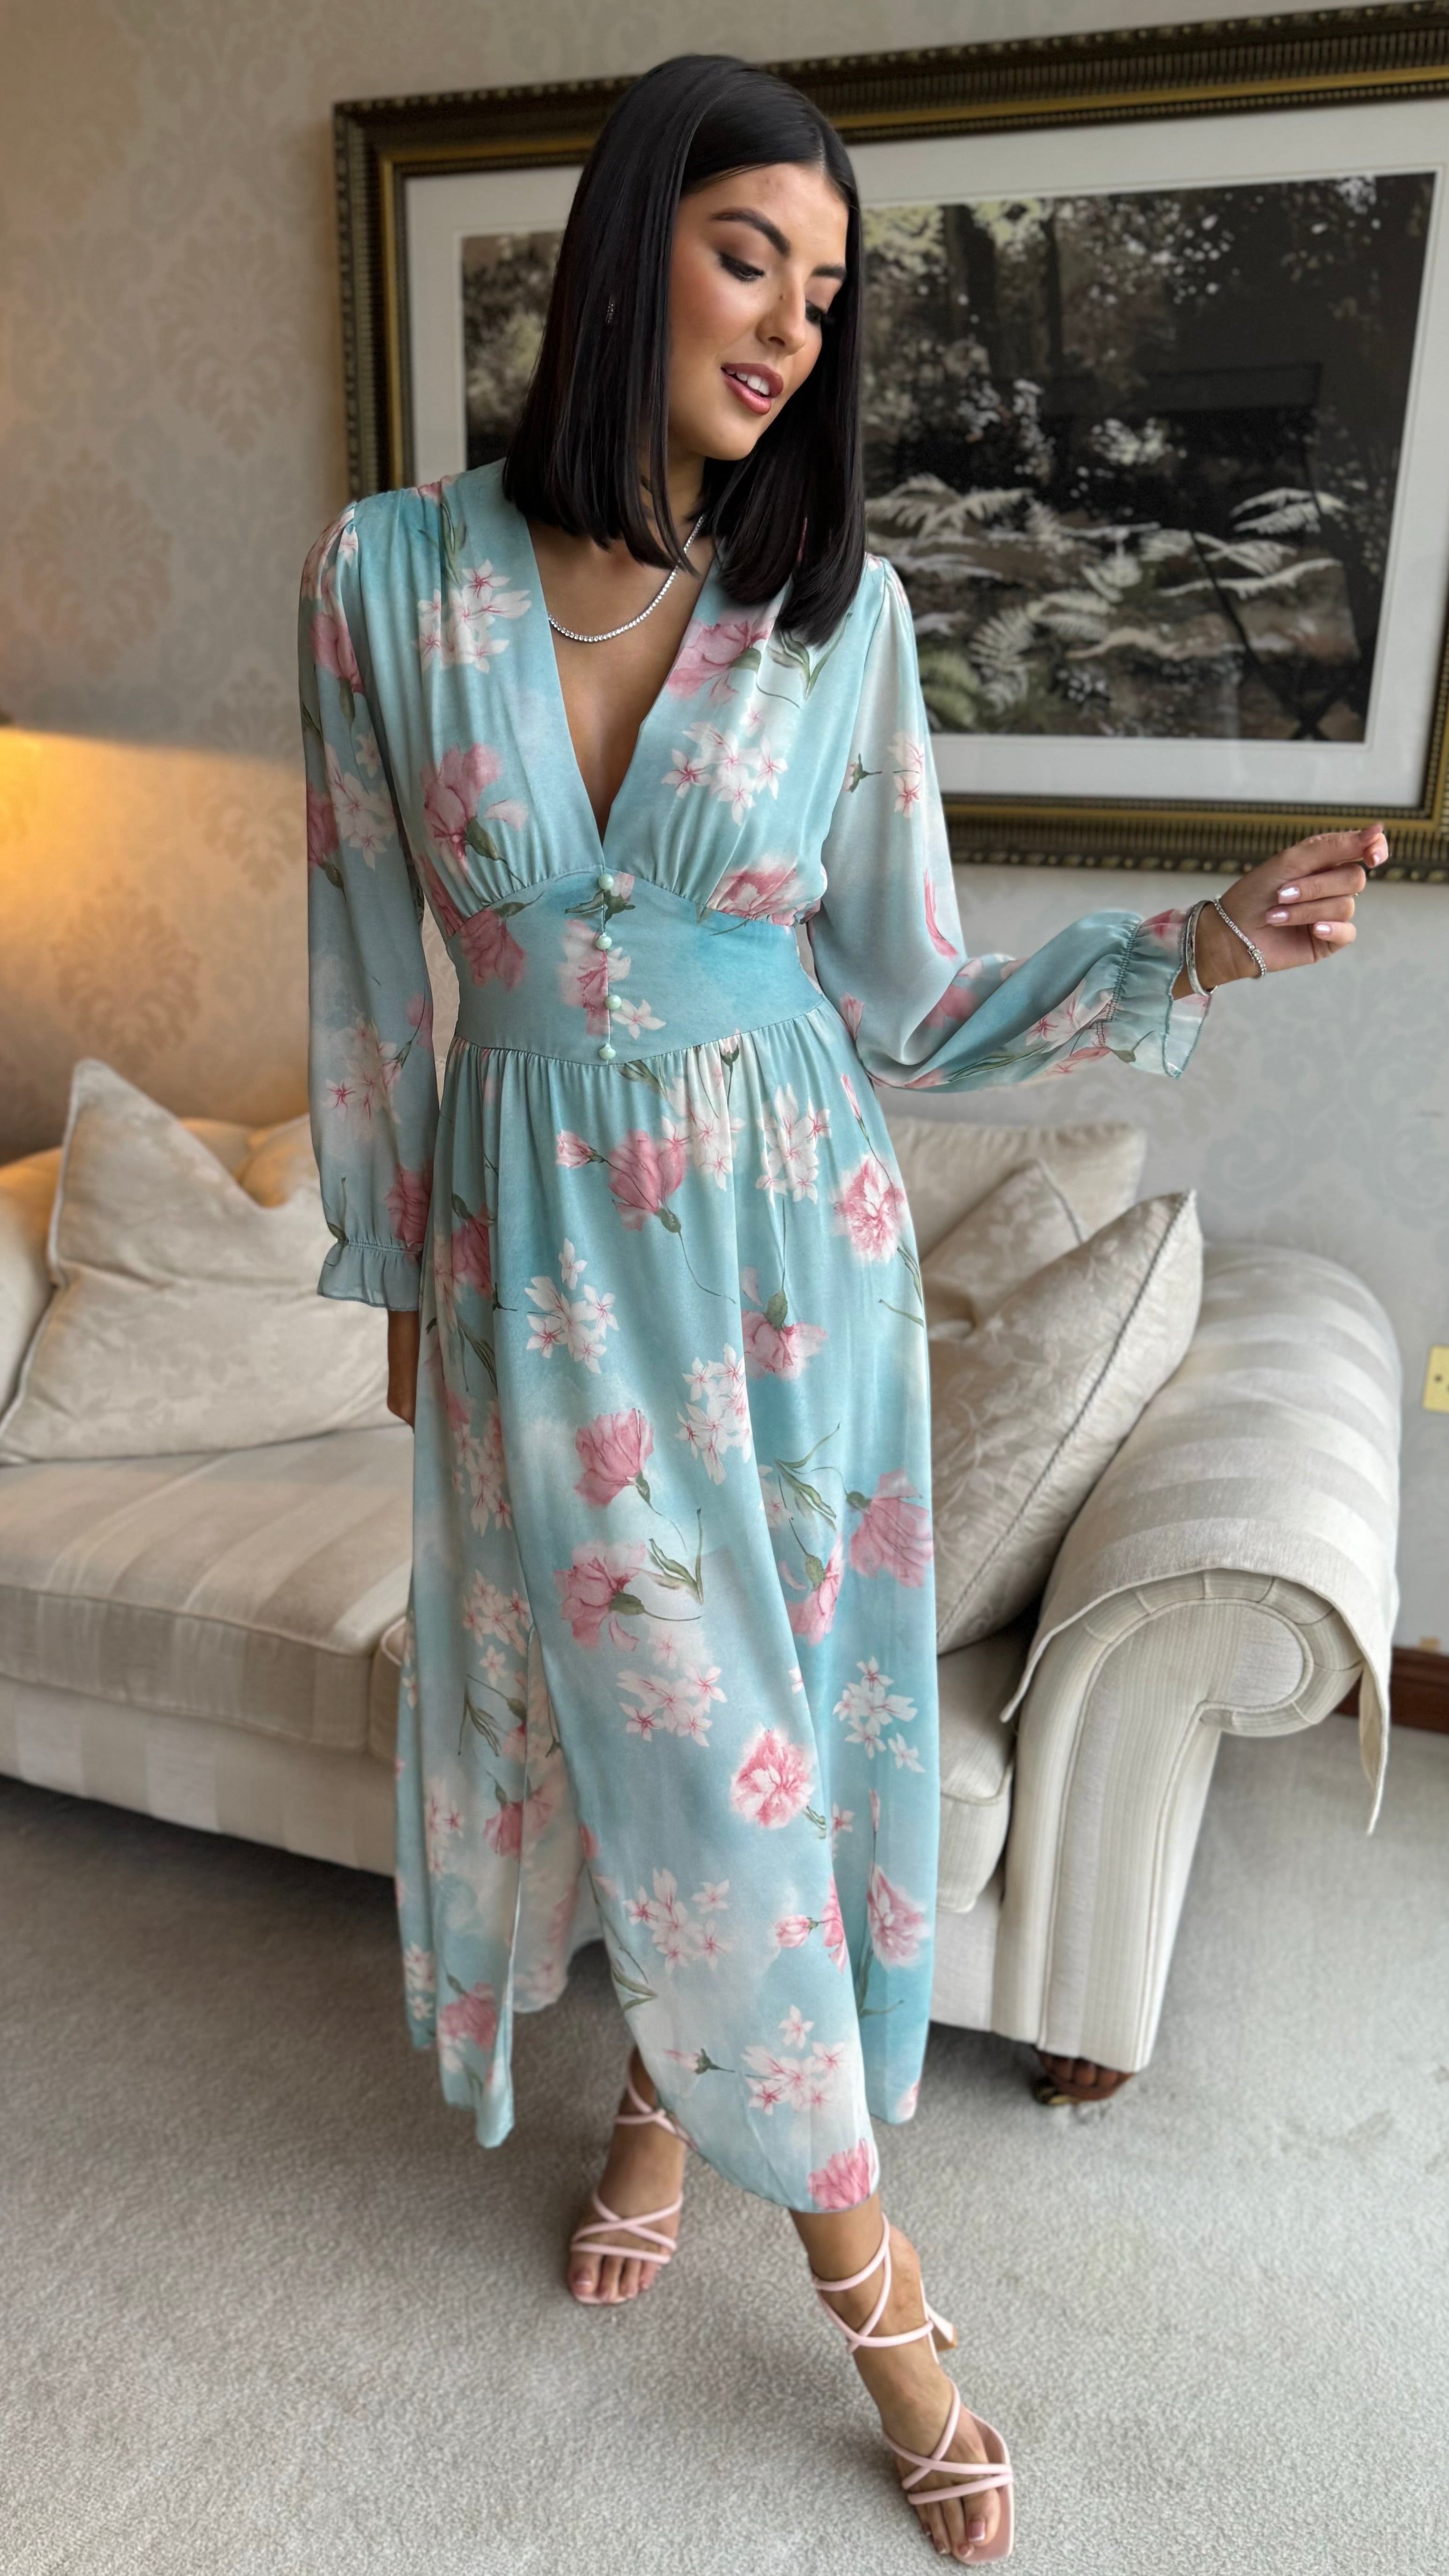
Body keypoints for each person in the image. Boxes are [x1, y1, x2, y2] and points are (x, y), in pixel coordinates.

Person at [300, 54, 1385, 2565]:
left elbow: (903, 996)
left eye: (825, 286)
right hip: (543, 1265)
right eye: (743, 256)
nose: (789, 324)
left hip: (797, 1255)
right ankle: (882, 2302)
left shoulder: (837, 616)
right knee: (671, 1741)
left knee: (757, 1743)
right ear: (627, 252)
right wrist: (391, 1263)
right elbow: (363, 961)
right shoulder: (382, 577)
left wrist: (1199, 946)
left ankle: (683, 2116)